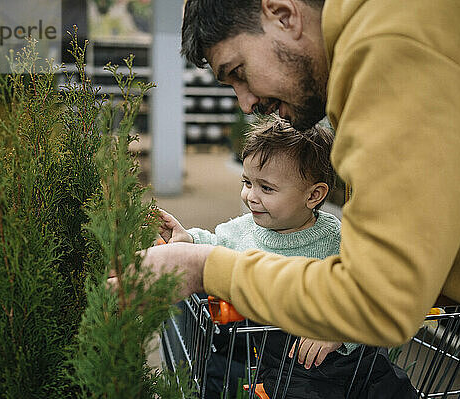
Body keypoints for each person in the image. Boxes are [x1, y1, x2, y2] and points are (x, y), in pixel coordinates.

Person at [111, 0, 460, 364]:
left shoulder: (391, 43)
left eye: (238, 72)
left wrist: (204, 268)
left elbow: (376, 299)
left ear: (283, 15)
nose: (245, 103)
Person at [159, 117, 415, 398]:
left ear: (314, 195)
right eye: (247, 182)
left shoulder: (337, 239)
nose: (250, 197)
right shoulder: (245, 230)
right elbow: (214, 244)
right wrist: (189, 239)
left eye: (266, 188)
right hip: (289, 369)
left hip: (354, 361)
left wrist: (341, 331)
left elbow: (371, 289)